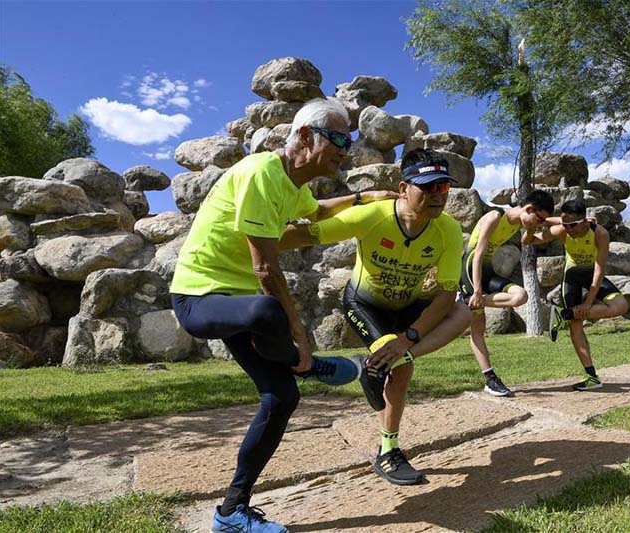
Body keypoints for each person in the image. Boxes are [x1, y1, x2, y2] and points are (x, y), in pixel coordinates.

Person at [169, 97, 397, 533]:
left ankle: (231, 512)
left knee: (282, 398)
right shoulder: (260, 173)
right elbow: (266, 269)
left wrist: (364, 197)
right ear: (306, 137)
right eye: (338, 139)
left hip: (241, 304)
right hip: (199, 298)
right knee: (268, 307)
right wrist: (302, 338)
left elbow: (316, 213)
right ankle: (303, 364)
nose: (345, 150)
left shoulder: (294, 187)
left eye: (349, 141)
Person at [281, 148, 471, 486]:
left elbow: (445, 295)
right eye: (426, 187)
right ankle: (388, 450)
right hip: (366, 306)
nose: (437, 196)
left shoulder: (449, 230)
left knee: (462, 313)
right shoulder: (373, 216)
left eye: (443, 188)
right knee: (401, 366)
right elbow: (304, 235)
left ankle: (377, 364)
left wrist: (408, 339)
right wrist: (244, 240)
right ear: (402, 189)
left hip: (407, 308)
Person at [459, 190, 555, 397]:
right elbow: (477, 255)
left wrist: (578, 220)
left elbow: (543, 226)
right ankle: (490, 379)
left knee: (521, 296)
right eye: (538, 220)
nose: (538, 225)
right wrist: (476, 290)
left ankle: (467, 301)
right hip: (470, 269)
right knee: (478, 329)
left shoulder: (518, 221)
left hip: (488, 270)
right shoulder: (495, 216)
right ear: (529, 209)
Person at [532, 199, 629, 391]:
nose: (569, 229)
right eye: (565, 224)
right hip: (573, 276)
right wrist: (545, 222)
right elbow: (538, 232)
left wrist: (588, 303)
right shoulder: (563, 229)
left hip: (593, 274)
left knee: (621, 306)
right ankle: (591, 377)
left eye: (573, 224)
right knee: (576, 326)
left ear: (585, 221)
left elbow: (599, 270)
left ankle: (563, 314)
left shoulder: (599, 233)